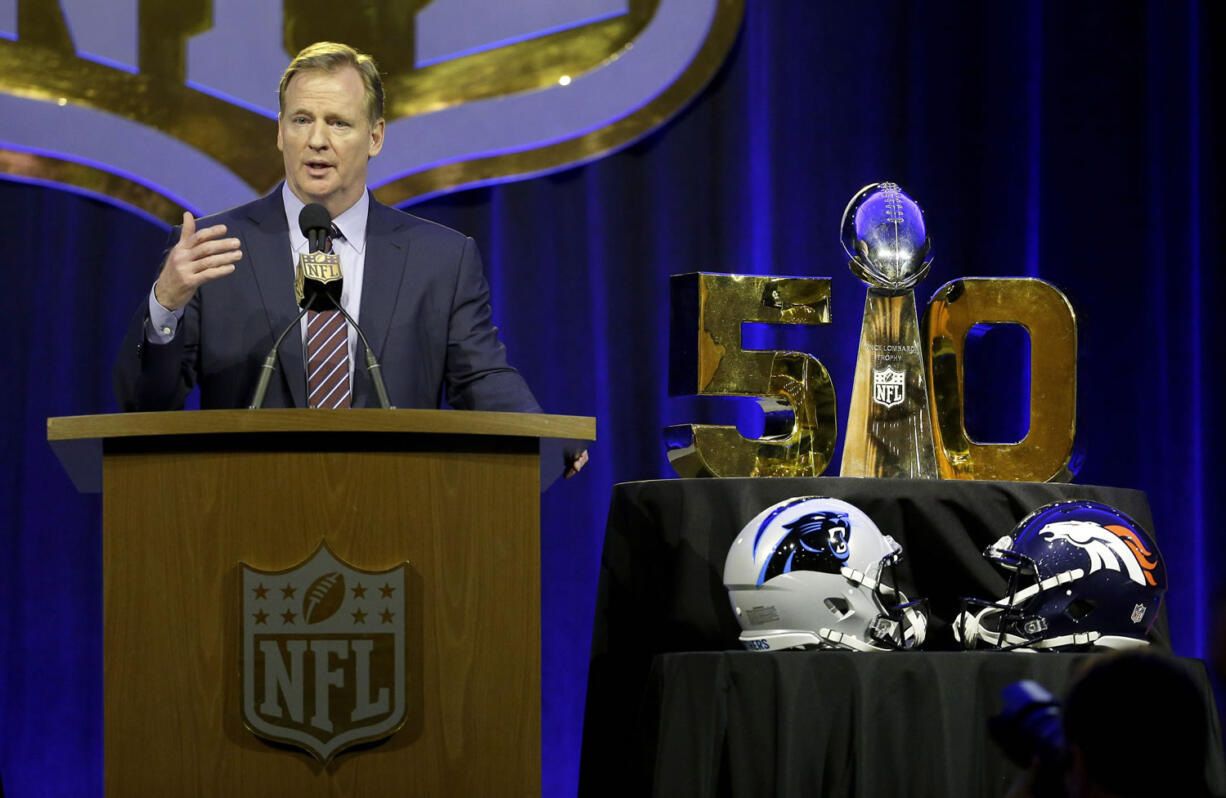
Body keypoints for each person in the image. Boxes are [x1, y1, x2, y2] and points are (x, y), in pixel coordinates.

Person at [112, 41, 587, 476]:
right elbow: (145, 405)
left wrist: (546, 437)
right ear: (280, 133)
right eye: (301, 120)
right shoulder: (211, 250)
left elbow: (481, 378)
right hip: (246, 512)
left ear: (375, 137)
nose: (317, 140)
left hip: (395, 518)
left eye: (338, 122)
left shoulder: (441, 259)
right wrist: (165, 306)